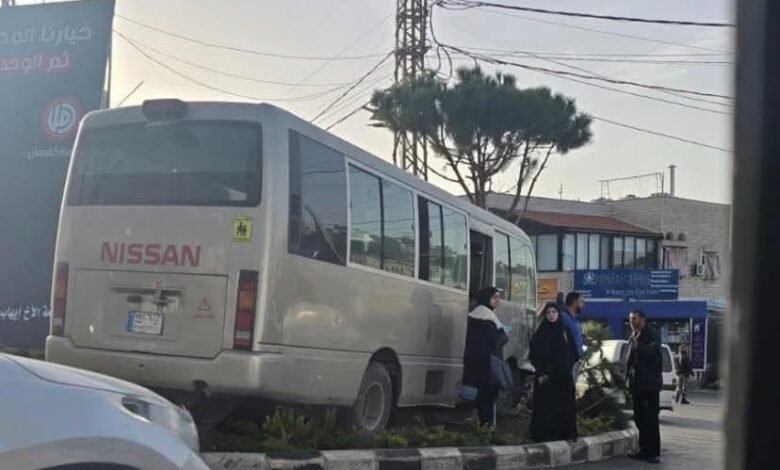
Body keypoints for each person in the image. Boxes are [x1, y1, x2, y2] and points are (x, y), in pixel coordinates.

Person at [529, 302, 577, 443]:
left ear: (558, 314)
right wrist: (541, 372)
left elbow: (572, 353)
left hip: (562, 378)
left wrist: (565, 368)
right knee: (545, 407)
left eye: (554, 312)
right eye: (548, 312)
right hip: (545, 378)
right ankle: (543, 435)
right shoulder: (540, 333)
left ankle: (563, 434)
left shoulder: (564, 332)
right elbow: (534, 354)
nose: (551, 315)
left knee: (563, 407)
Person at [462, 286, 508, 427]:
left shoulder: (472, 316)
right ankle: (487, 428)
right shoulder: (488, 318)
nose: (497, 301)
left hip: (473, 361)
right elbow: (494, 341)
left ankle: (484, 427)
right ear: (486, 298)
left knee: (481, 397)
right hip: (488, 364)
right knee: (488, 397)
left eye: (498, 298)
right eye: (494, 297)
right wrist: (503, 336)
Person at [626, 310, 663, 464]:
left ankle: (653, 453)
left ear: (643, 319)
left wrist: (638, 346)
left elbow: (652, 353)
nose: (632, 322)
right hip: (638, 384)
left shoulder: (651, 335)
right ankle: (644, 449)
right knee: (639, 417)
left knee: (650, 419)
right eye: (630, 319)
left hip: (650, 385)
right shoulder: (635, 335)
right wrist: (626, 378)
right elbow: (631, 360)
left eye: (634, 319)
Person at [560, 292, 585, 380]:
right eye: (581, 302)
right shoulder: (563, 317)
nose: (583, 305)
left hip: (576, 360)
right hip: (567, 361)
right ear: (574, 302)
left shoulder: (576, 321)